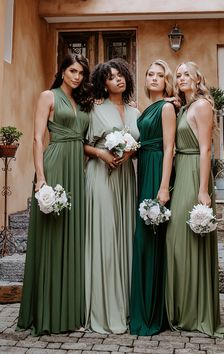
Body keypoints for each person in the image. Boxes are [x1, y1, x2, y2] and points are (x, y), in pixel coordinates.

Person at [16, 54, 93, 336]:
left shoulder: (82, 102)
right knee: (51, 238)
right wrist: (42, 180)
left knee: (72, 236)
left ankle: (70, 309)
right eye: (72, 70)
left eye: (82, 73)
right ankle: (47, 311)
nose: (77, 76)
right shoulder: (48, 96)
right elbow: (37, 138)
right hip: (56, 164)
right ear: (61, 70)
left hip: (77, 170)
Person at [165, 61, 224, 337]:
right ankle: (184, 307)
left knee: (189, 238)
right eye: (178, 75)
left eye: (187, 73)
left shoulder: (200, 105)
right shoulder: (184, 107)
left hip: (194, 175)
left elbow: (206, 148)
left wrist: (202, 189)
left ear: (198, 78)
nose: (182, 77)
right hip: (182, 173)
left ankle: (195, 312)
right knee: (177, 239)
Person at [84, 58, 140, 334]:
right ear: (102, 84)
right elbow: (82, 144)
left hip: (126, 179)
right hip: (101, 176)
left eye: (121, 75)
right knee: (106, 238)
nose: (118, 79)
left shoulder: (135, 111)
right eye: (111, 76)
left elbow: (140, 143)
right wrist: (101, 153)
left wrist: (131, 152)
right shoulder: (94, 110)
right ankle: (104, 308)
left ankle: (127, 306)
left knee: (125, 237)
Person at [130, 59, 176, 335]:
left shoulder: (167, 107)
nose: (154, 78)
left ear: (166, 80)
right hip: (144, 164)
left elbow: (169, 148)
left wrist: (163, 187)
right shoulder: (147, 108)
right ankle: (142, 307)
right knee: (143, 236)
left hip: (158, 168)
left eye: (160, 75)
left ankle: (152, 313)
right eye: (150, 74)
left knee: (152, 236)